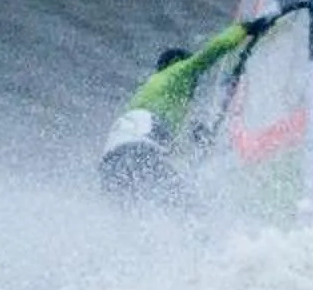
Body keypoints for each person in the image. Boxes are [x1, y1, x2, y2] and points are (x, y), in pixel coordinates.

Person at [98, 18, 267, 196]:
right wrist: (245, 29)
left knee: (147, 209)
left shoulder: (146, 94)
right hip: (137, 155)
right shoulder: (177, 72)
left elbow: (165, 149)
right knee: (187, 205)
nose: (194, 84)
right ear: (176, 62)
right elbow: (213, 51)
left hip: (110, 169)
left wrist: (198, 143)